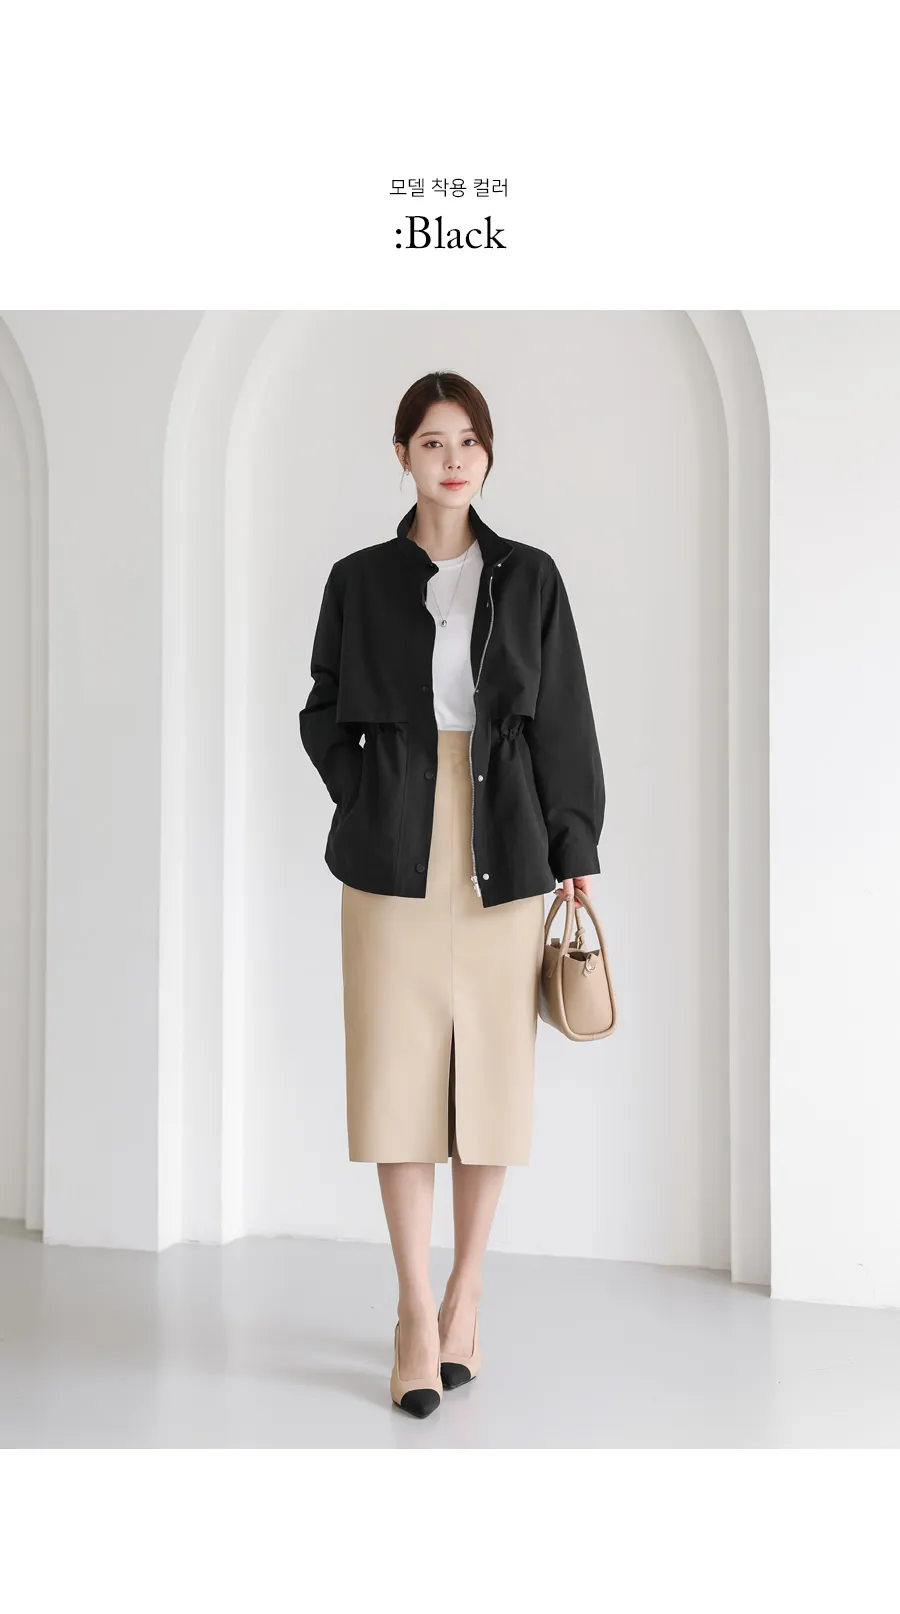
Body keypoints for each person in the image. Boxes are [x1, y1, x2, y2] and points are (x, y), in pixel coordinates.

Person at [299, 370, 605, 1418]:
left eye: (468, 439)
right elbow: (322, 709)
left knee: (491, 1087)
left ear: (486, 454)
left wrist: (574, 841)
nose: (453, 458)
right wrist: (365, 791)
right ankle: (413, 1315)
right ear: (403, 456)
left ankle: (466, 1296)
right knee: (397, 1083)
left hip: (503, 842)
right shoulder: (357, 579)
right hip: (391, 848)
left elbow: (565, 716)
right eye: (433, 441)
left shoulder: (530, 577)